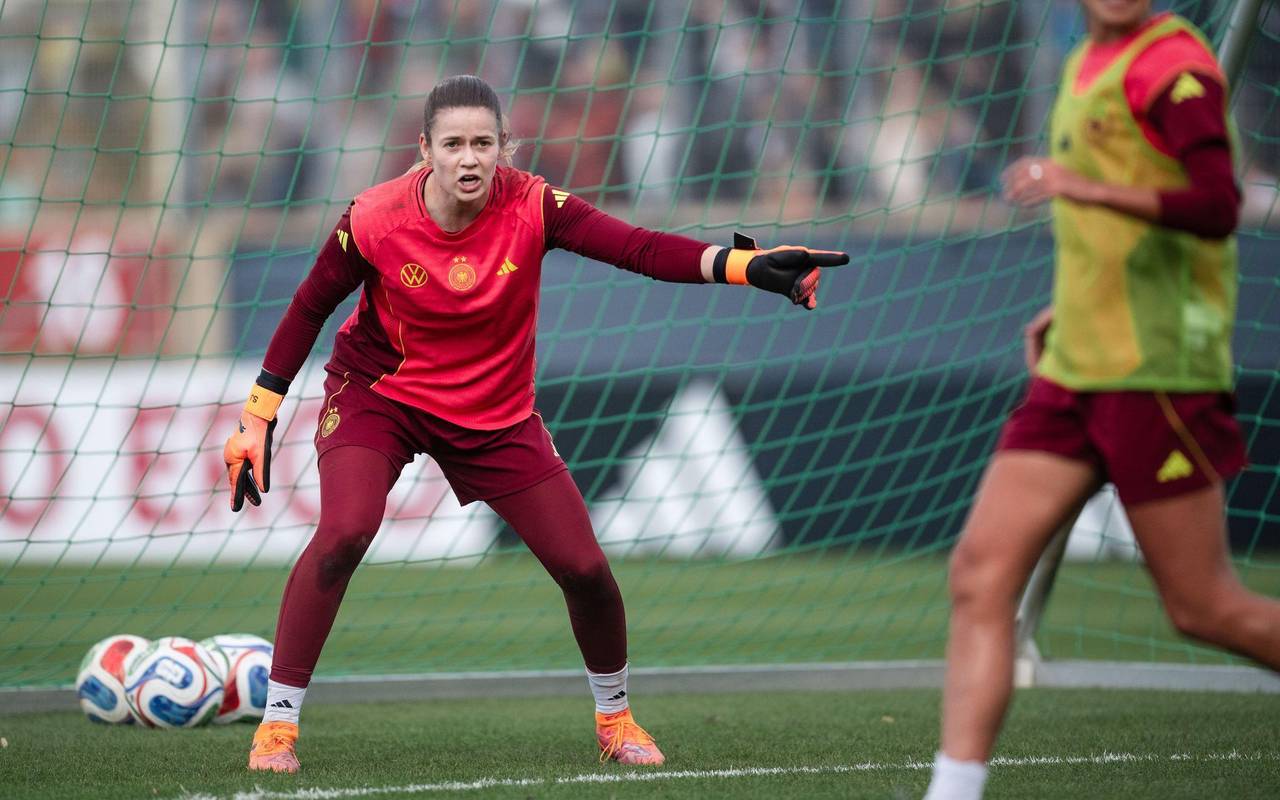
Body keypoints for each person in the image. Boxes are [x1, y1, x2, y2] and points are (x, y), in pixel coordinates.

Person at [222, 74, 849, 774]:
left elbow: (639, 248)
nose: (469, 158)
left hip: (494, 414)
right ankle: (276, 728)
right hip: (380, 395)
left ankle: (615, 718)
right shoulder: (373, 217)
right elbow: (309, 307)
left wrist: (746, 265)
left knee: (585, 568)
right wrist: (257, 417)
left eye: (483, 143)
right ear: (424, 148)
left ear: (504, 149)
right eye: (453, 143)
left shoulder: (535, 205)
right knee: (343, 534)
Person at [923, 3, 1280, 798]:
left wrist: (1079, 185)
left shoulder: (1174, 68)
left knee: (1203, 609)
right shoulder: (1085, 59)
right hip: (1076, 369)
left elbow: (1218, 207)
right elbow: (1111, 227)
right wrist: (1072, 305)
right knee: (980, 575)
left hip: (1156, 374)